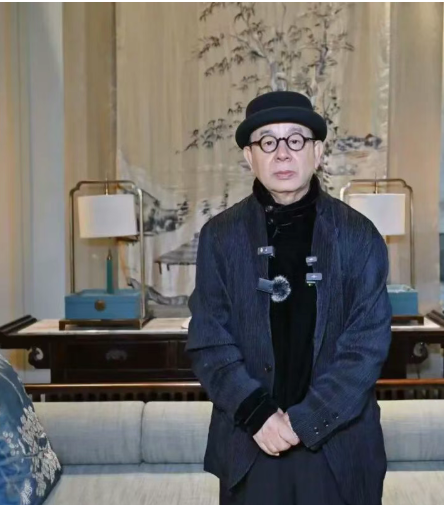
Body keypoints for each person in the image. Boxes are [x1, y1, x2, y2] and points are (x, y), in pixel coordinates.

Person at [186, 90, 392, 505]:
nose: (282, 153)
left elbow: (366, 347)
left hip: (338, 446)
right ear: (249, 157)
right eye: (267, 141)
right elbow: (210, 340)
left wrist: (305, 421)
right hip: (251, 441)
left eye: (295, 140)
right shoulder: (219, 237)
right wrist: (257, 413)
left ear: (317, 152)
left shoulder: (359, 235)